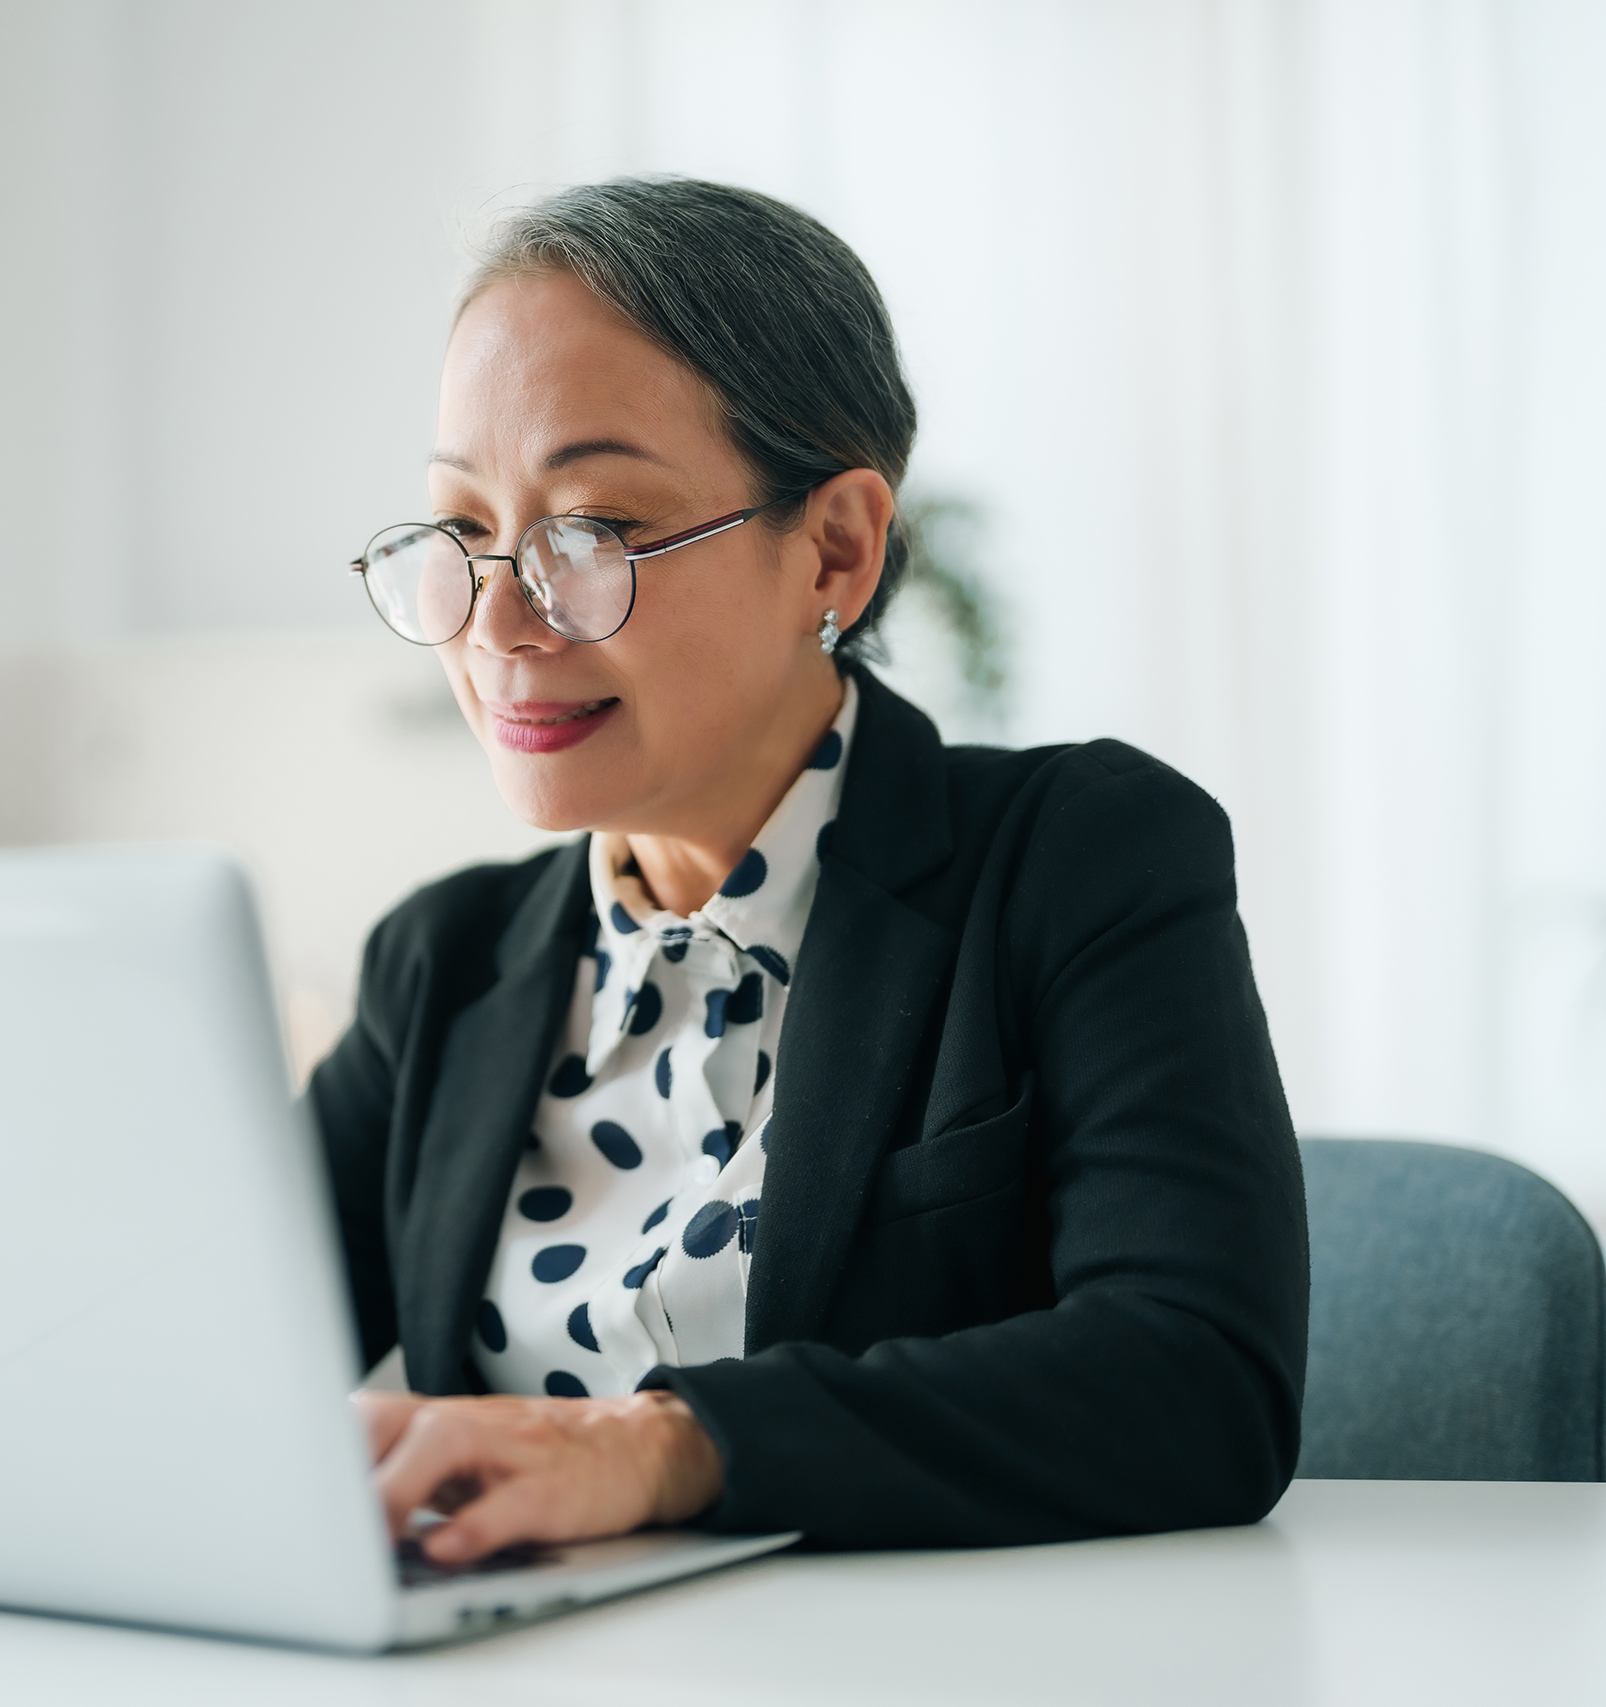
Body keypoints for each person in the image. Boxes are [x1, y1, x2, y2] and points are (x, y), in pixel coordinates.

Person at [309, 178, 1307, 1564]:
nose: (500, 621)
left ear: (834, 546)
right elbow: (195, 1351)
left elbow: (1200, 1380)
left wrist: (668, 1448)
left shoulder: (1079, 861)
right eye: (465, 534)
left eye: (591, 531)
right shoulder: (440, 965)